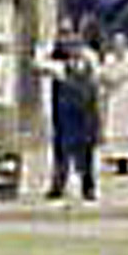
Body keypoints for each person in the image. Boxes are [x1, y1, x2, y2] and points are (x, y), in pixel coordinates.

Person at [36, 23, 101, 203]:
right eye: (69, 45)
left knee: (86, 153)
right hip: (65, 116)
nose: (73, 49)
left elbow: (97, 82)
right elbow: (39, 63)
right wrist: (49, 44)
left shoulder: (90, 60)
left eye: (76, 45)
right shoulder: (59, 66)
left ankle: (88, 187)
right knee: (62, 152)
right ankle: (58, 185)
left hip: (85, 113)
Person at [97, 32, 128, 175]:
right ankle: (116, 159)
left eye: (121, 43)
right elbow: (103, 75)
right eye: (116, 43)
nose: (119, 46)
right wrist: (108, 81)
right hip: (115, 96)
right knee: (115, 127)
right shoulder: (109, 59)